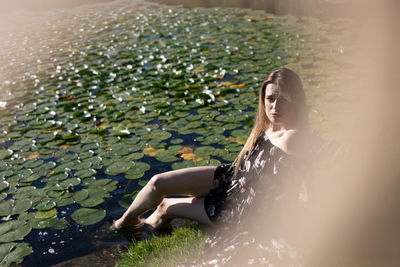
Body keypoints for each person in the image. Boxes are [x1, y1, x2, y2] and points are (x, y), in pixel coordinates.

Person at [111, 68, 310, 251]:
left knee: (165, 207)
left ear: (295, 101)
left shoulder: (293, 138)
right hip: (231, 177)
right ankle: (126, 223)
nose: (275, 106)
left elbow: (307, 181)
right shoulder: (267, 124)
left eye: (283, 100)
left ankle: (138, 231)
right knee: (157, 183)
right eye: (271, 99)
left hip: (239, 204)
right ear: (263, 99)